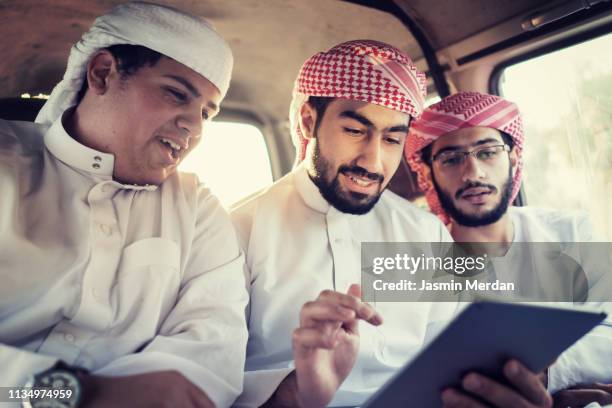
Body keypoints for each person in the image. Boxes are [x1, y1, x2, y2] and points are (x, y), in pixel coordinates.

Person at [231, 41, 551, 408]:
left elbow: (451, 359)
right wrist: (297, 392)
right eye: (355, 131)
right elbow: (210, 387)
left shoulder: (424, 232)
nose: (374, 161)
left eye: (392, 139)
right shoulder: (238, 231)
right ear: (308, 121)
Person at [0, 2, 248, 407]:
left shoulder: (197, 209)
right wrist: (74, 394)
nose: (195, 126)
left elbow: (211, 353)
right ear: (102, 74)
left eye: (207, 112)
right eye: (175, 94)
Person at [406, 91, 612, 407]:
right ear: (428, 174)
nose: (473, 173)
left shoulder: (571, 231)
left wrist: (549, 378)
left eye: (487, 152)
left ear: (513, 158)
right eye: (451, 159)